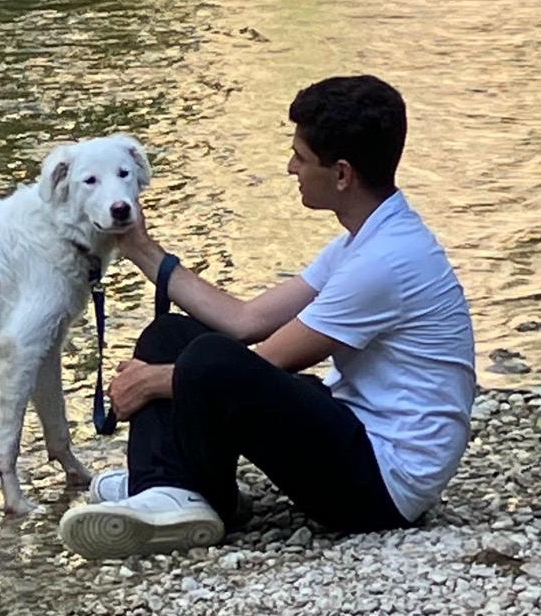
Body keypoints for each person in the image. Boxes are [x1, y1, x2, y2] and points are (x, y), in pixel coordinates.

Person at [57, 74, 476, 560]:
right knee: (172, 333)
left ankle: (176, 489)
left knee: (208, 359)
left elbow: (268, 360)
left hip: (382, 489)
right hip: (357, 433)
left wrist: (151, 383)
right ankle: (175, 489)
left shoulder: (387, 261)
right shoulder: (366, 240)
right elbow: (246, 320)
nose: (290, 167)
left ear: (342, 174)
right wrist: (139, 247)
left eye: (300, 156)